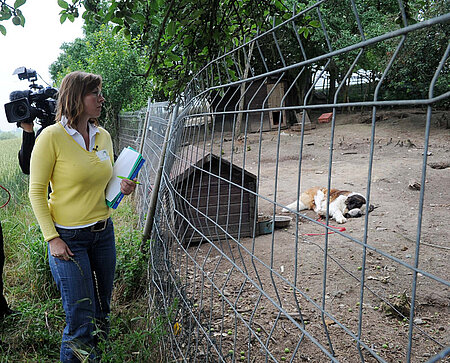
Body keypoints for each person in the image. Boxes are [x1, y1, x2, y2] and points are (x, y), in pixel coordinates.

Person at [28, 71, 136, 362]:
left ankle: (96, 358)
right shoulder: (51, 137)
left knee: (101, 310)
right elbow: (36, 193)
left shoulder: (103, 135)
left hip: (103, 234)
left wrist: (122, 186)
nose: (101, 98)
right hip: (69, 240)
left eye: (101, 92)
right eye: (95, 93)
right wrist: (52, 239)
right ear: (76, 97)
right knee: (80, 319)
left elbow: (106, 184)